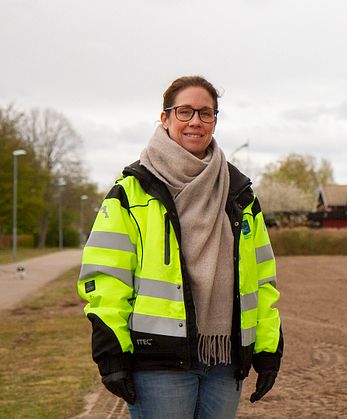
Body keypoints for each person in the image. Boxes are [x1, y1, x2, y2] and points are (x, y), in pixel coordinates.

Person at [77, 75, 283, 418]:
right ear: (165, 118)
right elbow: (107, 275)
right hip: (157, 361)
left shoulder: (239, 194)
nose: (195, 122)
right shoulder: (132, 191)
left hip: (224, 358)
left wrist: (267, 345)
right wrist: (112, 349)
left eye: (206, 113)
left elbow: (261, 278)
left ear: (215, 120)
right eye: (184, 112)